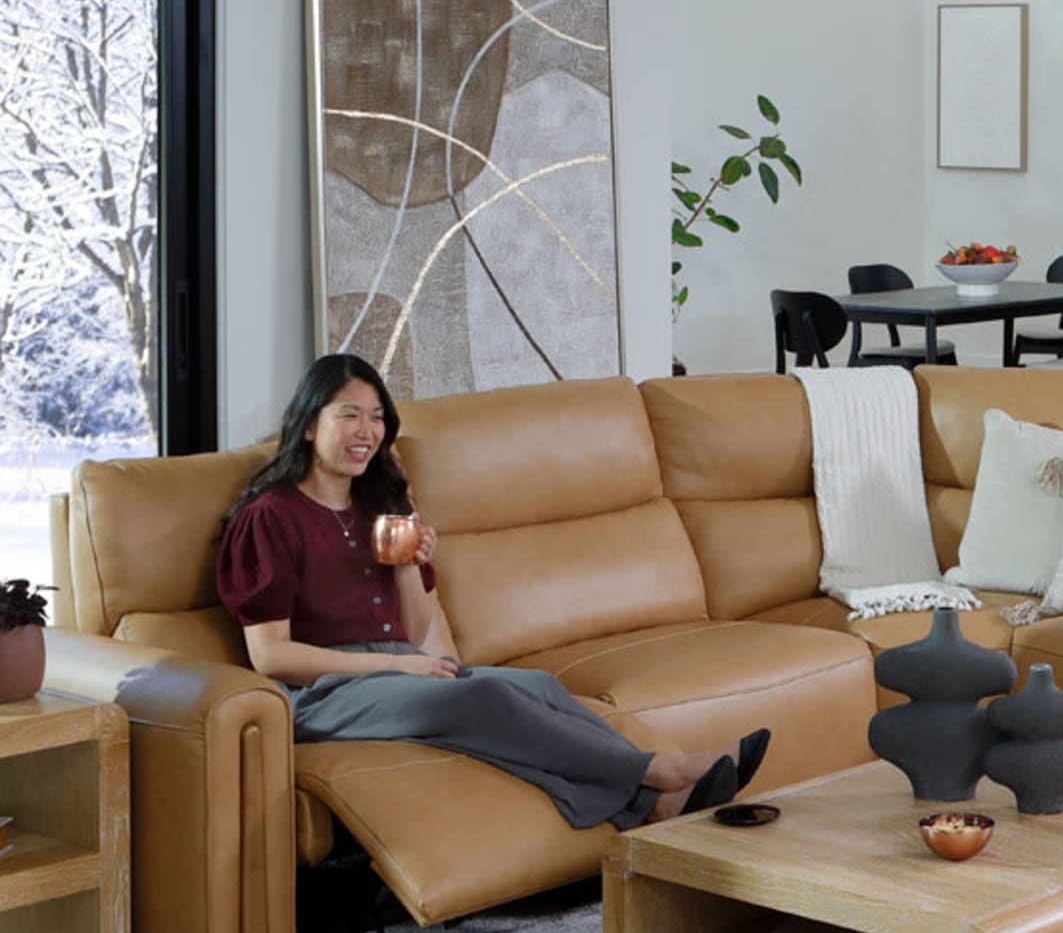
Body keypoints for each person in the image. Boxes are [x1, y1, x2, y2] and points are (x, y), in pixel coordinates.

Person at [217, 353, 769, 831]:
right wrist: (400, 668)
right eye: (349, 415)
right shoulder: (272, 516)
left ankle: (655, 804)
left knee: (540, 686)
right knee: (482, 697)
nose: (367, 430)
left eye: (377, 416)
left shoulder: (377, 506)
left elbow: (413, 632)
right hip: (323, 693)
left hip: (395, 667)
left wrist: (409, 565)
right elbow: (271, 656)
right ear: (308, 426)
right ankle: (662, 771)